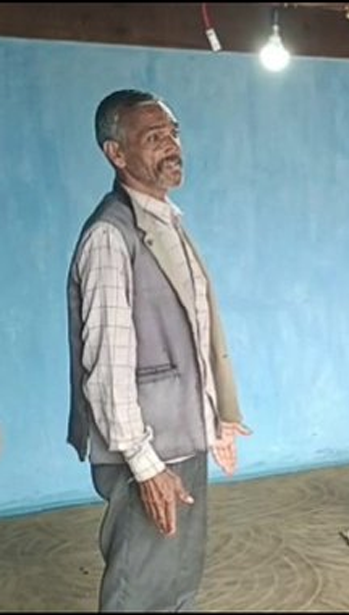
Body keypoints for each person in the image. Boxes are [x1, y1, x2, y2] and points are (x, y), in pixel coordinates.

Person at [66, 88, 251, 611]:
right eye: (153, 138)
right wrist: (145, 466)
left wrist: (217, 420)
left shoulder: (165, 220)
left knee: (177, 580)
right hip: (146, 449)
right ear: (116, 154)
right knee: (140, 586)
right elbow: (105, 367)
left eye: (173, 133)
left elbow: (192, 334)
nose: (171, 146)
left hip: (181, 438)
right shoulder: (110, 235)